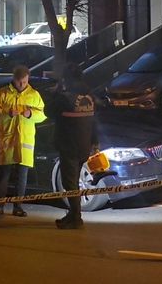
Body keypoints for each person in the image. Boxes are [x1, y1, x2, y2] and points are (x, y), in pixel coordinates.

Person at [0, 65, 46, 220]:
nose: (22, 84)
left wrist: (30, 113)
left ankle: (18, 206)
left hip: (25, 142)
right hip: (8, 141)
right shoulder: (2, 93)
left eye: (25, 81)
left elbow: (42, 115)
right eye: (20, 82)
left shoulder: (34, 95)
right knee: (4, 176)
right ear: (14, 79)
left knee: (22, 177)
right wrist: (6, 113)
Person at [44, 63, 97, 229]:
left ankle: (76, 217)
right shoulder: (89, 97)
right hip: (84, 145)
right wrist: (95, 141)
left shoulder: (64, 98)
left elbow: (48, 111)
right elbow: (94, 121)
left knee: (70, 183)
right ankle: (73, 214)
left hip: (69, 145)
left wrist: (57, 92)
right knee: (73, 181)